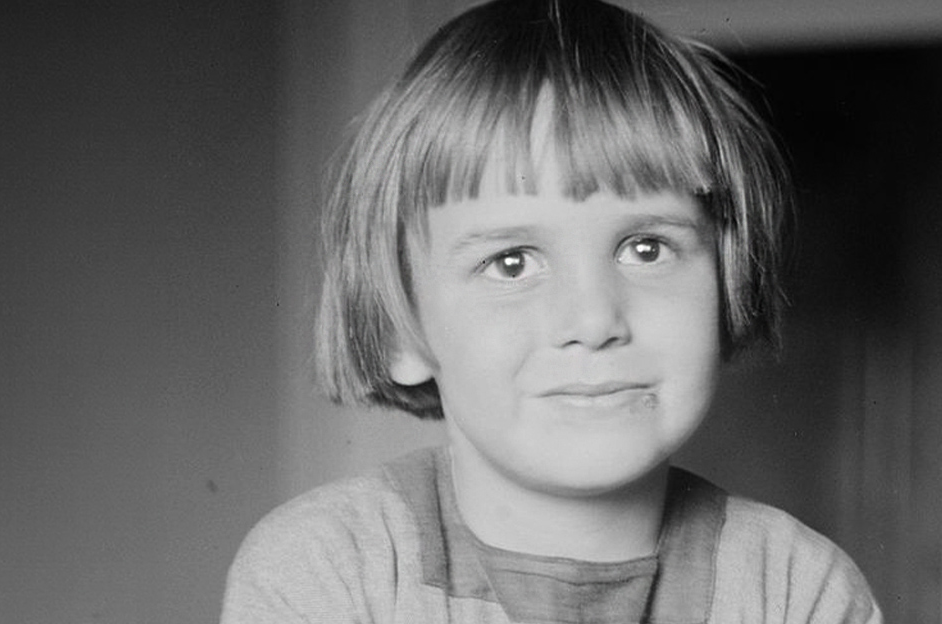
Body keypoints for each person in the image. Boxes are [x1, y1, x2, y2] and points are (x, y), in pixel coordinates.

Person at [221, 0, 882, 622]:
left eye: (646, 248)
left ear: (726, 282)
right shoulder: (329, 567)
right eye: (512, 263)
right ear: (402, 325)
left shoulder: (797, 588)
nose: (593, 321)